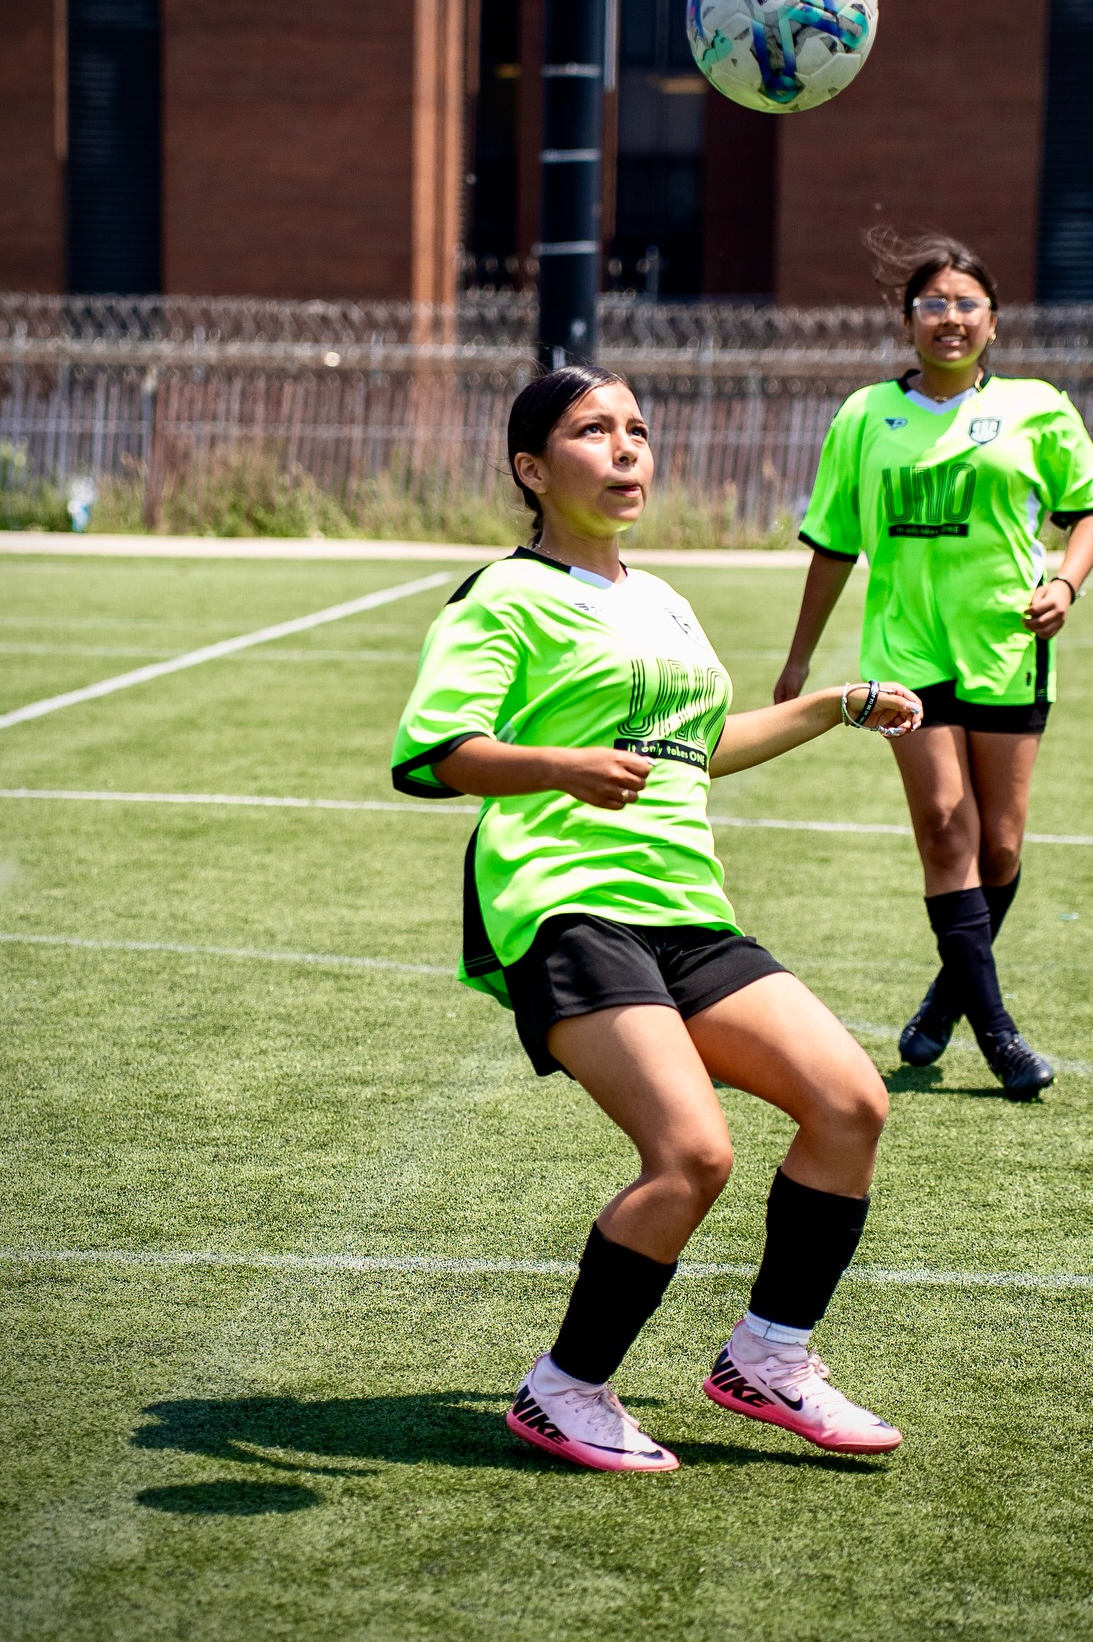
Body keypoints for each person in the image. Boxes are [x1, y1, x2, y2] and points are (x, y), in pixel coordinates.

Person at [391, 364, 922, 1474]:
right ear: (534, 470)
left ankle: (770, 1358)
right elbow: (434, 758)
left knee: (850, 1104)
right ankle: (565, 1390)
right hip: (562, 899)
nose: (627, 447)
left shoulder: (663, 600)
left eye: (638, 428)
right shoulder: (505, 595)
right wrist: (559, 767)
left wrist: (834, 706)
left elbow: (697, 750)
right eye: (595, 430)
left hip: (684, 902)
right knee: (691, 1153)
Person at [774, 232, 1093, 1099]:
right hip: (906, 651)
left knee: (1000, 844)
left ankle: (942, 1004)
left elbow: (1089, 514)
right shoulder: (864, 416)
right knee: (946, 831)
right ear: (908, 320)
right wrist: (799, 658)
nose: (950, 318)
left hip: (1006, 648)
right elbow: (832, 544)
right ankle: (998, 1034)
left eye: (966, 304)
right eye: (933, 304)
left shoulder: (1040, 406)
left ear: (993, 322)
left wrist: (1066, 585)